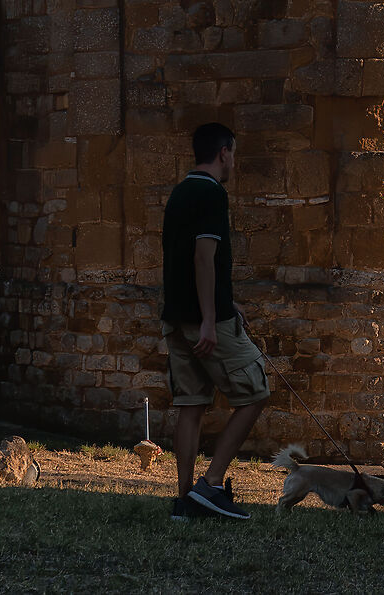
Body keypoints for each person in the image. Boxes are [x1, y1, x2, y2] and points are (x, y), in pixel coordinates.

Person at [162, 121, 268, 520]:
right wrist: (210, 318)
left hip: (175, 317)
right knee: (255, 393)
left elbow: (184, 262)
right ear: (224, 152)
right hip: (205, 321)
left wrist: (227, 300)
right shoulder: (212, 193)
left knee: (191, 405)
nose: (234, 162)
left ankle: (185, 500)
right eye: (233, 154)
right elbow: (203, 258)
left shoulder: (179, 192)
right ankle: (210, 485)